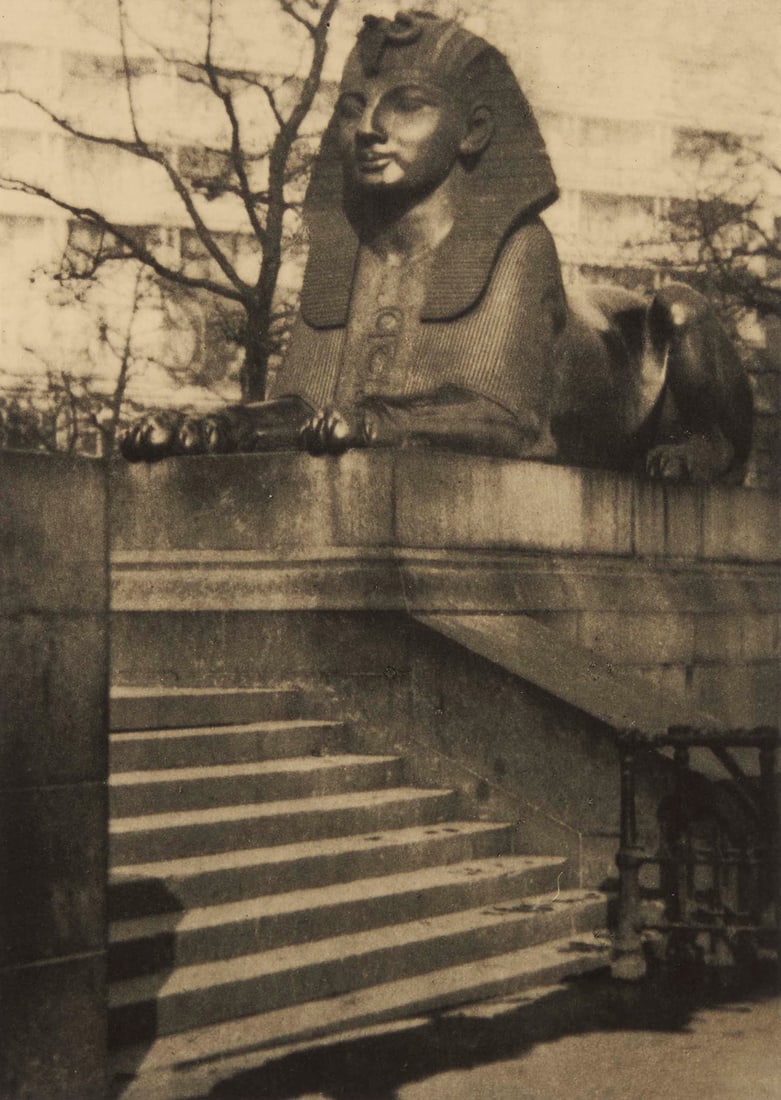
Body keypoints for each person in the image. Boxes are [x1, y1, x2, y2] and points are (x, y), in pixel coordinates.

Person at [121, 10, 752, 482]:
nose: (369, 129)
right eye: (353, 108)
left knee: (677, 310)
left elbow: (509, 421)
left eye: (407, 106)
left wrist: (380, 422)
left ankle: (711, 442)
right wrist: (223, 428)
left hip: (646, 398)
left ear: (473, 131)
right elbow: (311, 409)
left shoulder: (519, 248)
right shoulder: (347, 255)